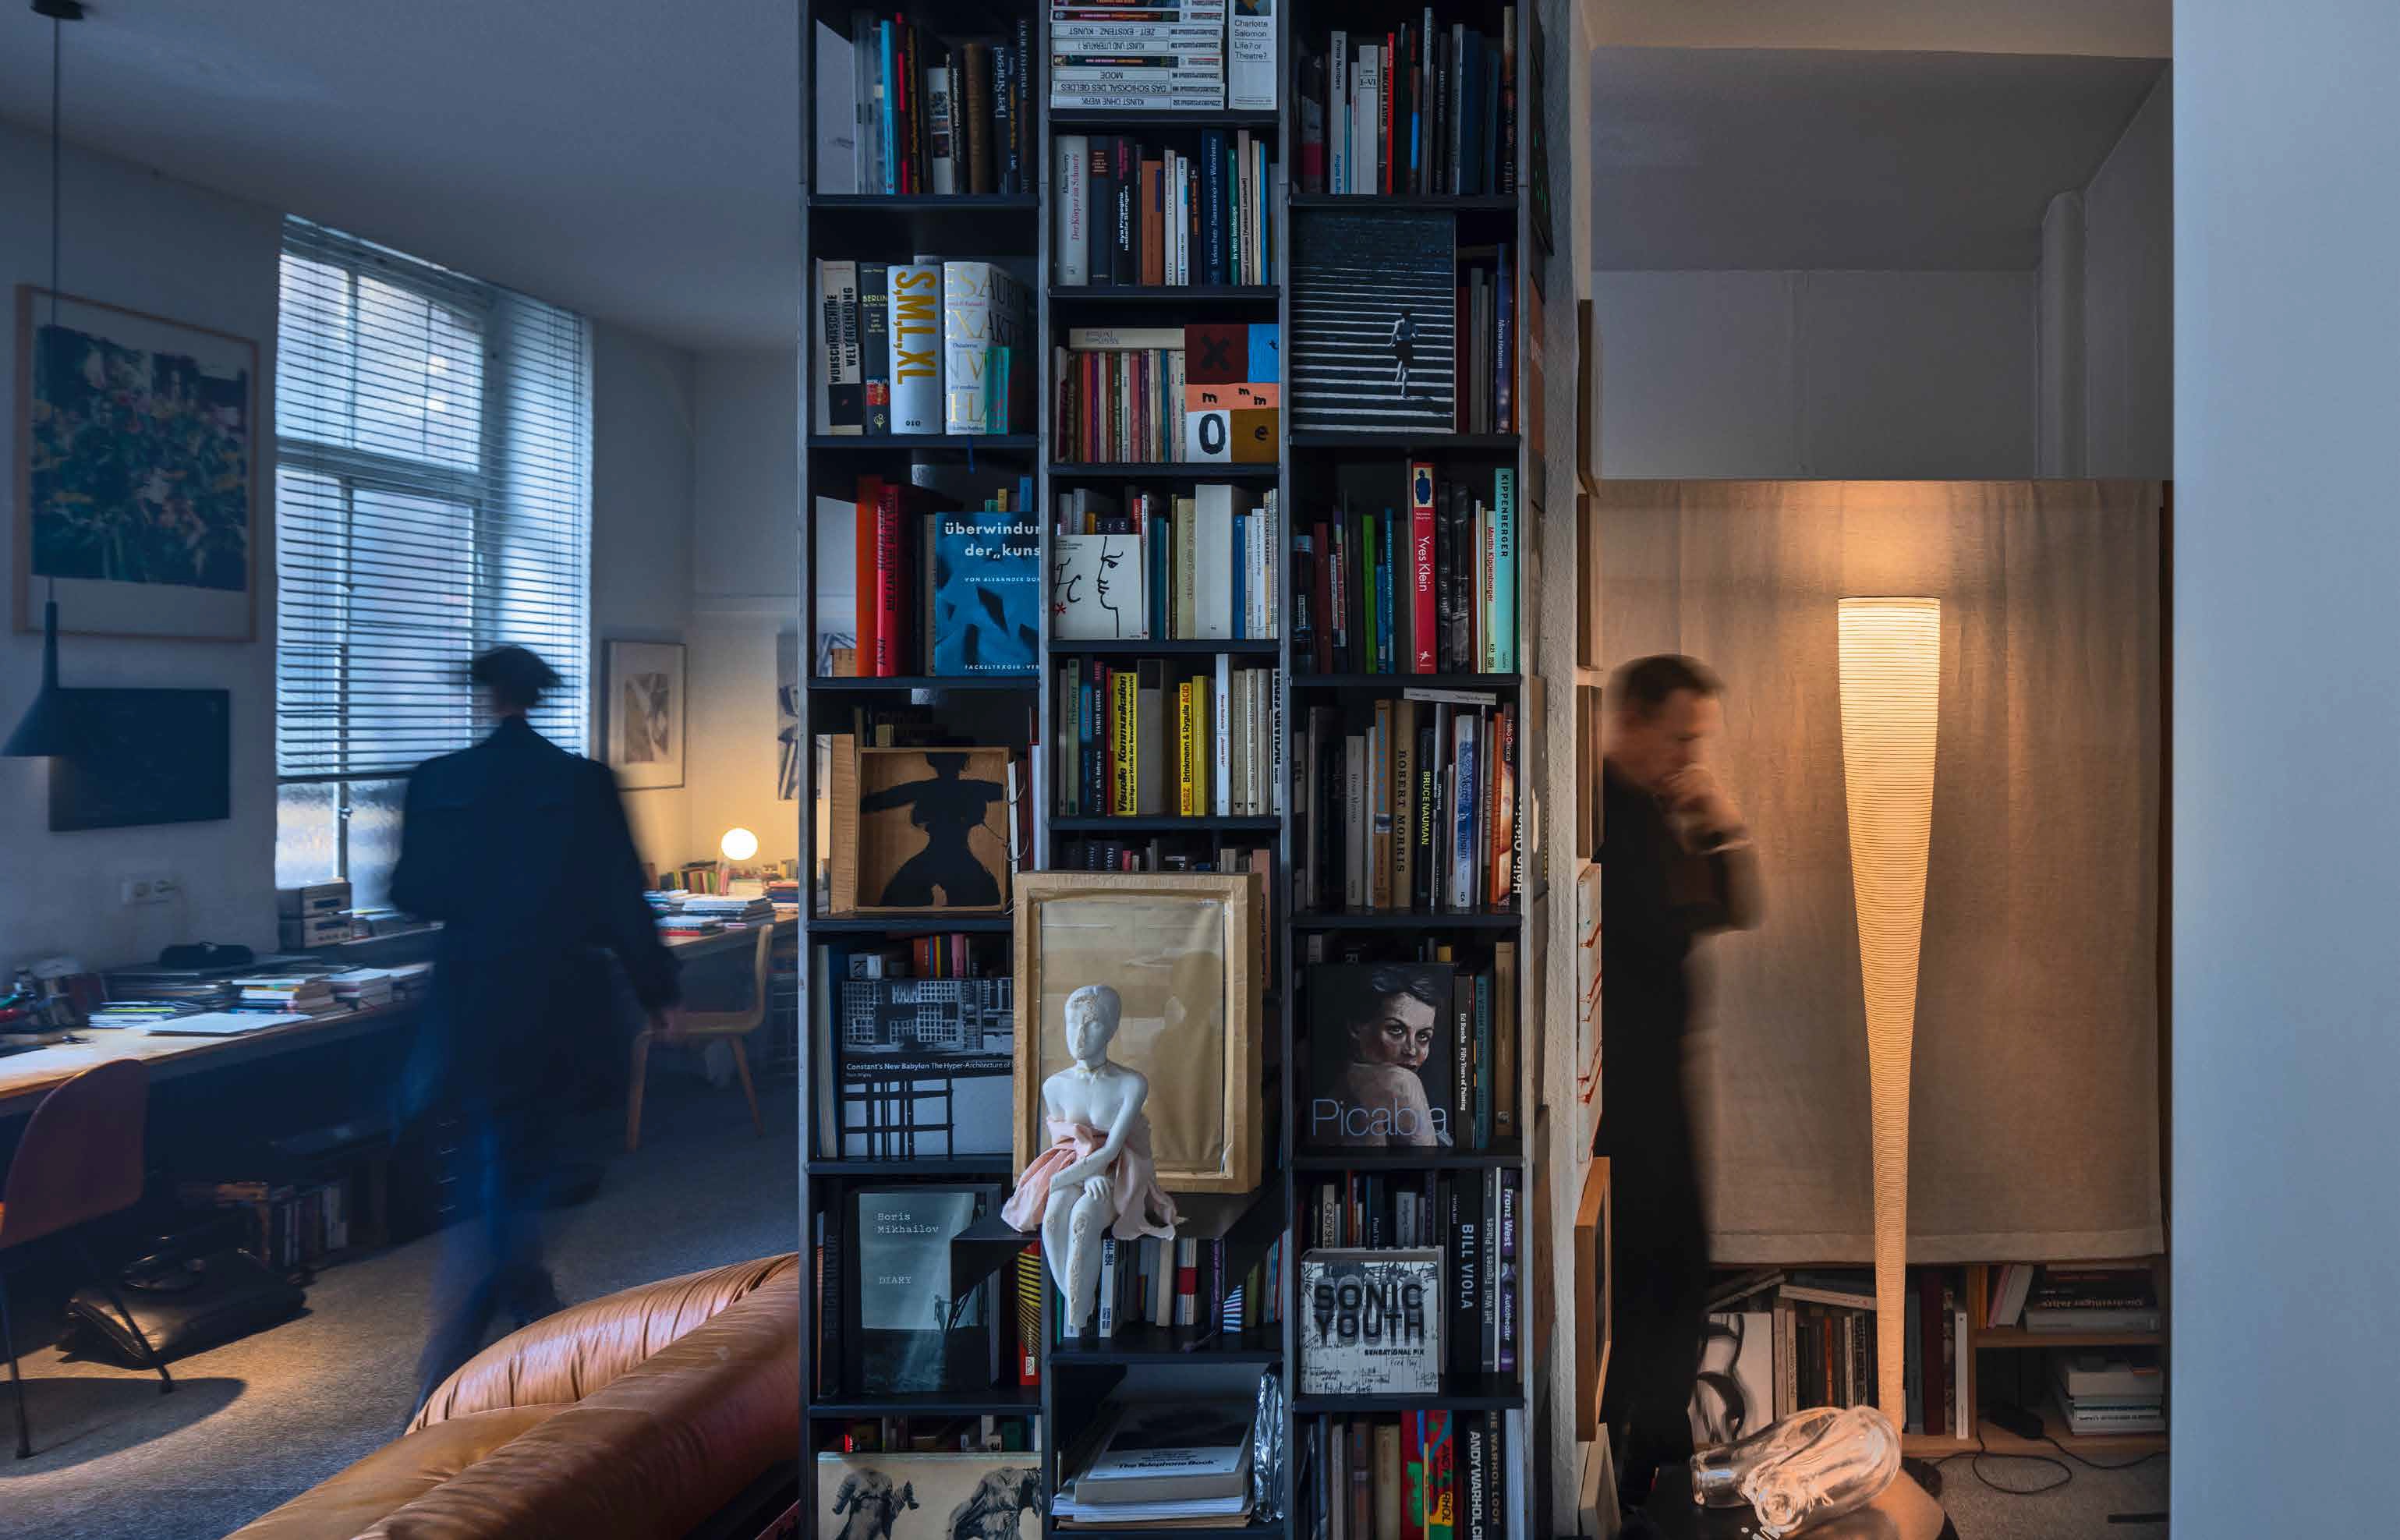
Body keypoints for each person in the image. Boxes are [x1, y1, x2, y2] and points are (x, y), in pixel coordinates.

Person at [388, 645, 681, 1417]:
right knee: (538, 1153)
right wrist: (657, 990)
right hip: (561, 990)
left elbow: (411, 890)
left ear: (485, 697)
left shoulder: (438, 780)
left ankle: (502, 1307)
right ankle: (506, 1310)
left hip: (470, 992)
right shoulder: (583, 783)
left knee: (493, 1147)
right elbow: (622, 897)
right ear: (540, 696)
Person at [1596, 654, 1759, 1515]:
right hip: (1620, 1092)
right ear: (1633, 721)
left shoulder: (1662, 812)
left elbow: (1737, 905)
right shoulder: (1600, 813)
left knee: (1682, 1270)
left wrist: (1718, 818)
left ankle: (1661, 1462)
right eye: (1681, 737)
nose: (1690, 756)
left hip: (1664, 1079)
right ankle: (1641, 1471)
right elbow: (1672, 927)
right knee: (1646, 1278)